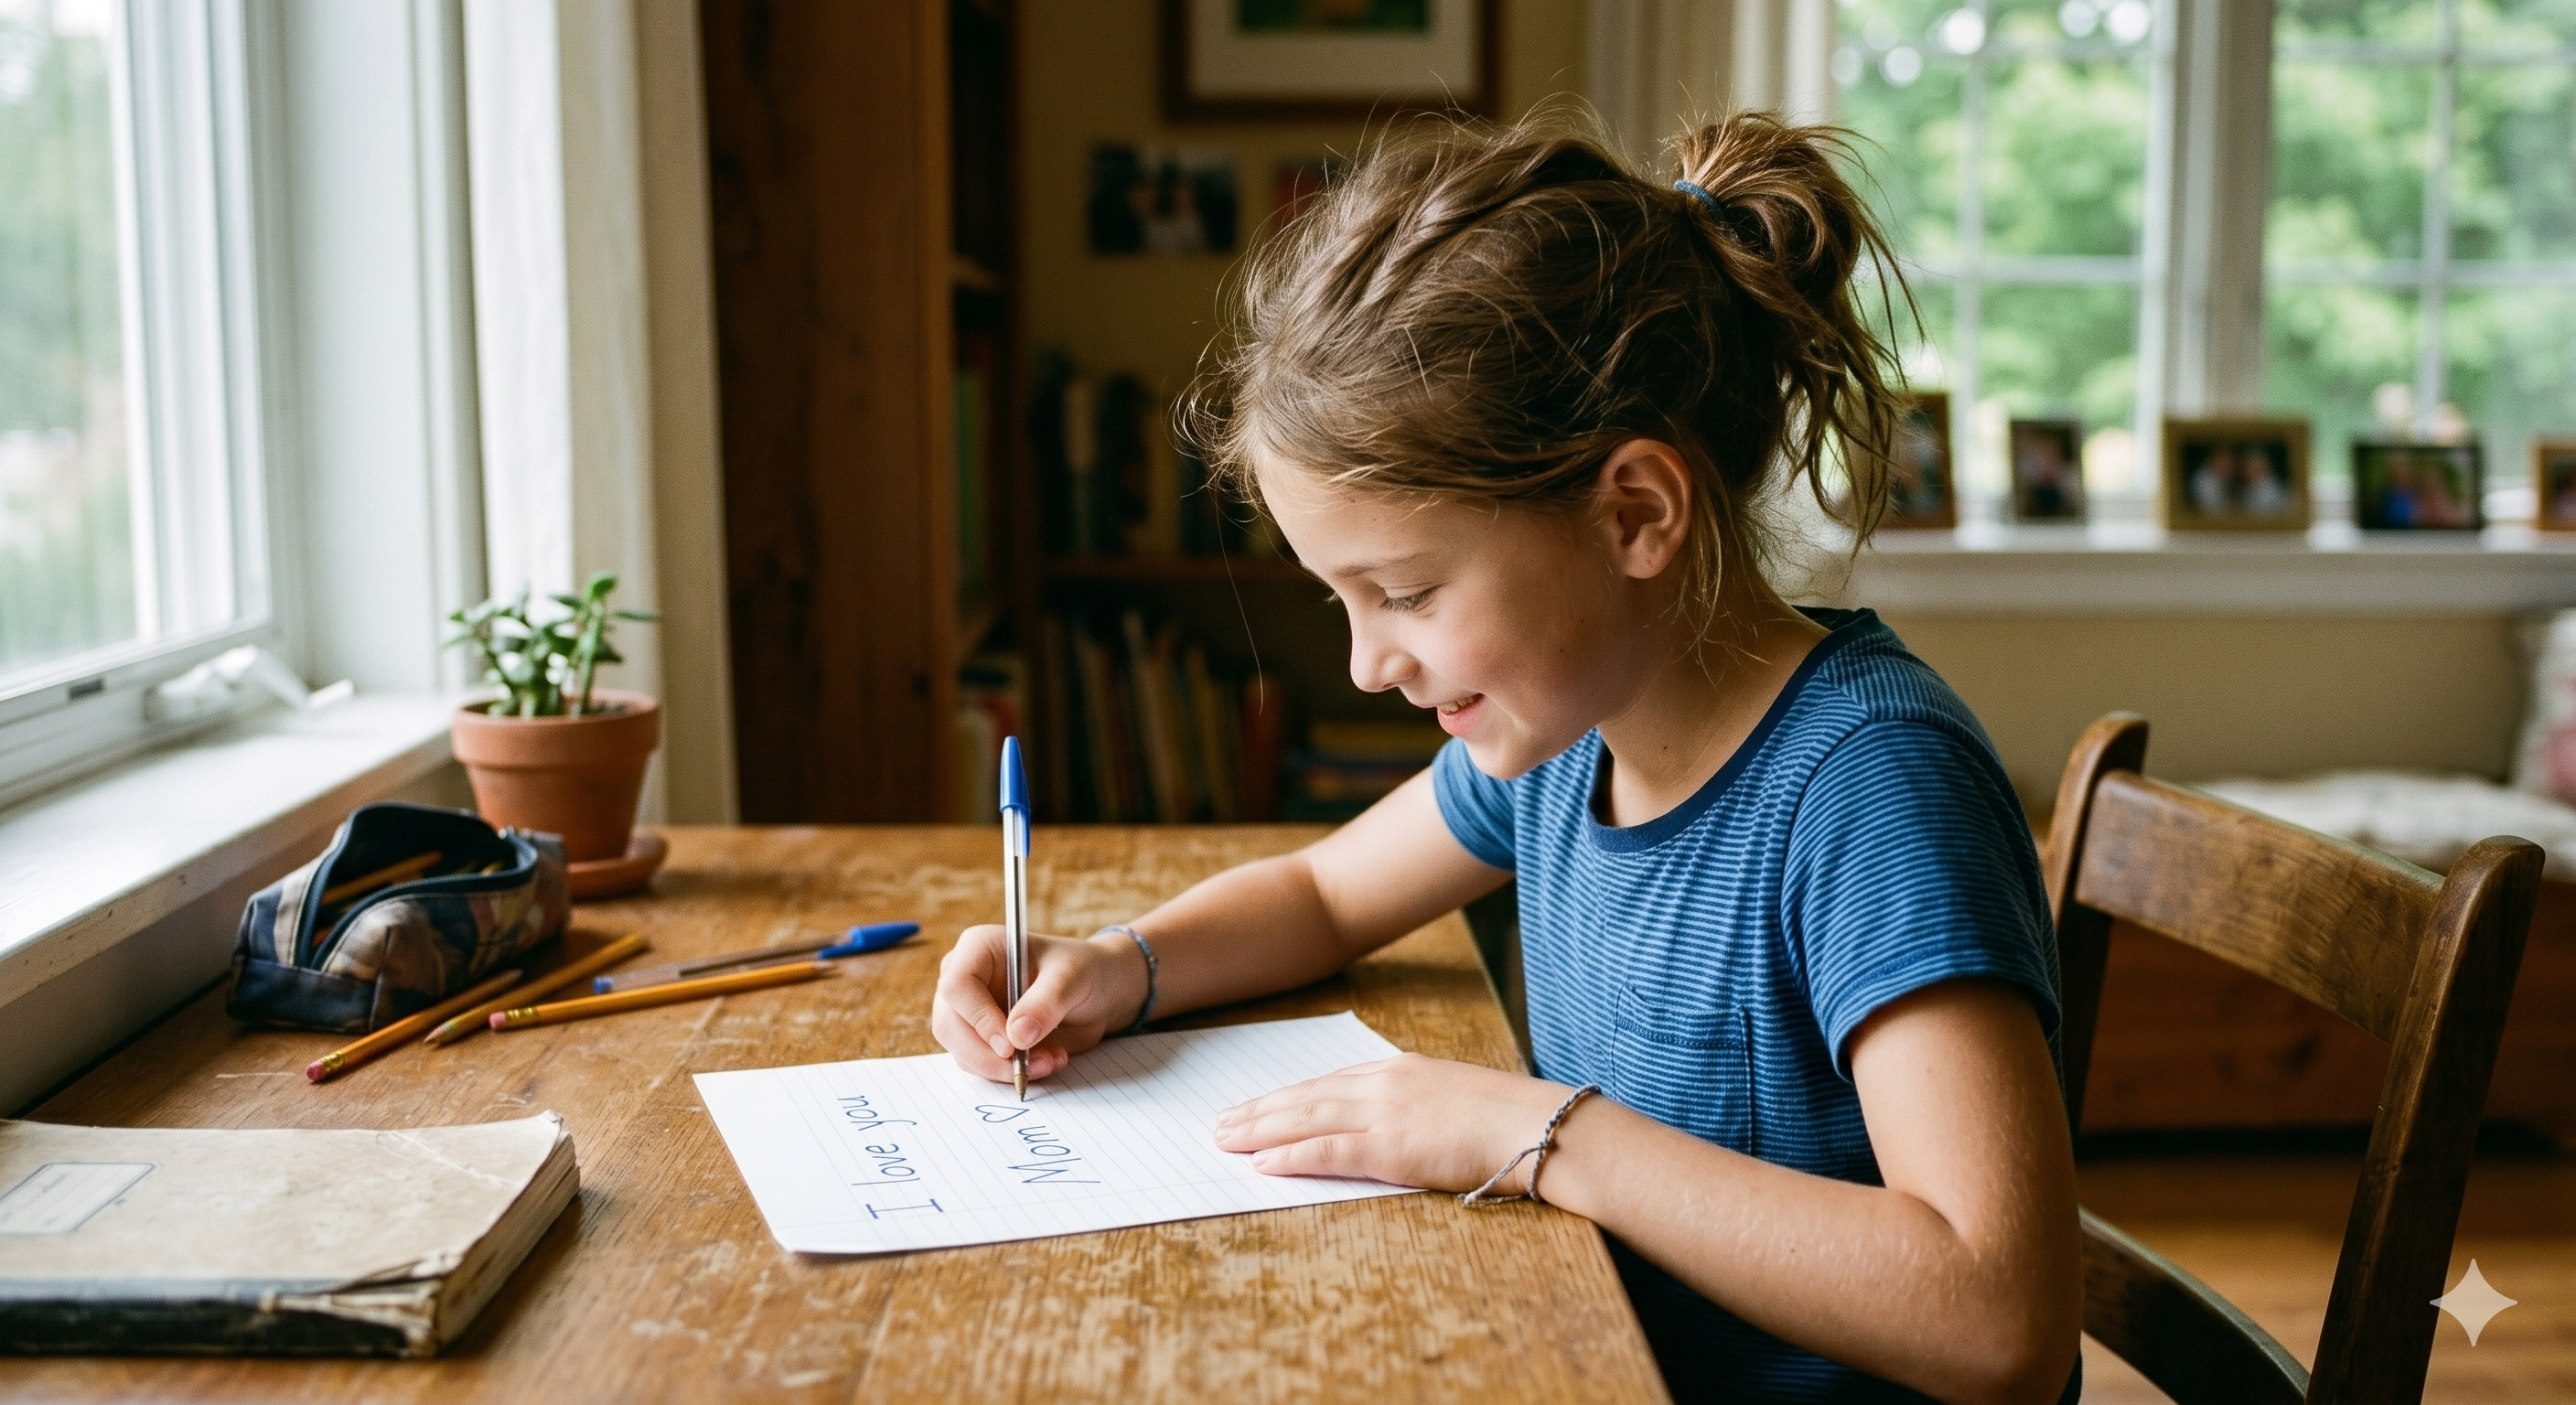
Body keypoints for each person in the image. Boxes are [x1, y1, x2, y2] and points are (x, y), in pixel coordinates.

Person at [932, 111, 2081, 1404]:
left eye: (1408, 592)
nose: (1369, 662)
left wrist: (1532, 1135)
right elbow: (1322, 897)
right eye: (1342, 602)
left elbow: (2003, 1322)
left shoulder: (1872, 788)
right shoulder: (1568, 729)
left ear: (1636, 512)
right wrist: (1114, 969)